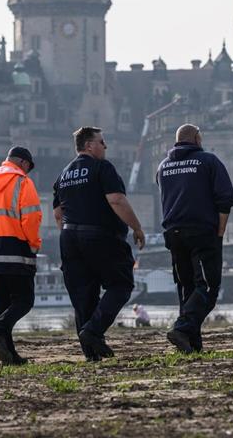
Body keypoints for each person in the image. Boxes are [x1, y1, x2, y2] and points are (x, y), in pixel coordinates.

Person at [54, 127, 146, 361]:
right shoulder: (101, 167)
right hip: (100, 236)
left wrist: (71, 237)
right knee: (121, 284)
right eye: (101, 142)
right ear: (88, 145)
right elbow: (116, 200)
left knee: (83, 295)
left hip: (69, 237)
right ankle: (93, 332)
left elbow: (58, 214)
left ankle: (90, 352)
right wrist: (136, 227)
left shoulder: (63, 175)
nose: (105, 146)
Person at [156, 124, 233, 354]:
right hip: (202, 231)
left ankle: (191, 344)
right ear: (197, 139)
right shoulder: (208, 161)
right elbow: (225, 198)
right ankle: (182, 328)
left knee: (187, 287)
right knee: (208, 286)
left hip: (173, 233)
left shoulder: (163, 166)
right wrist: (220, 231)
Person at [0, 146, 43, 365]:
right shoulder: (23, 182)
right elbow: (31, 218)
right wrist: (34, 244)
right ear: (23, 162)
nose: (28, 171)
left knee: (3, 302)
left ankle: (9, 355)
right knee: (24, 300)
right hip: (16, 249)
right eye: (28, 167)